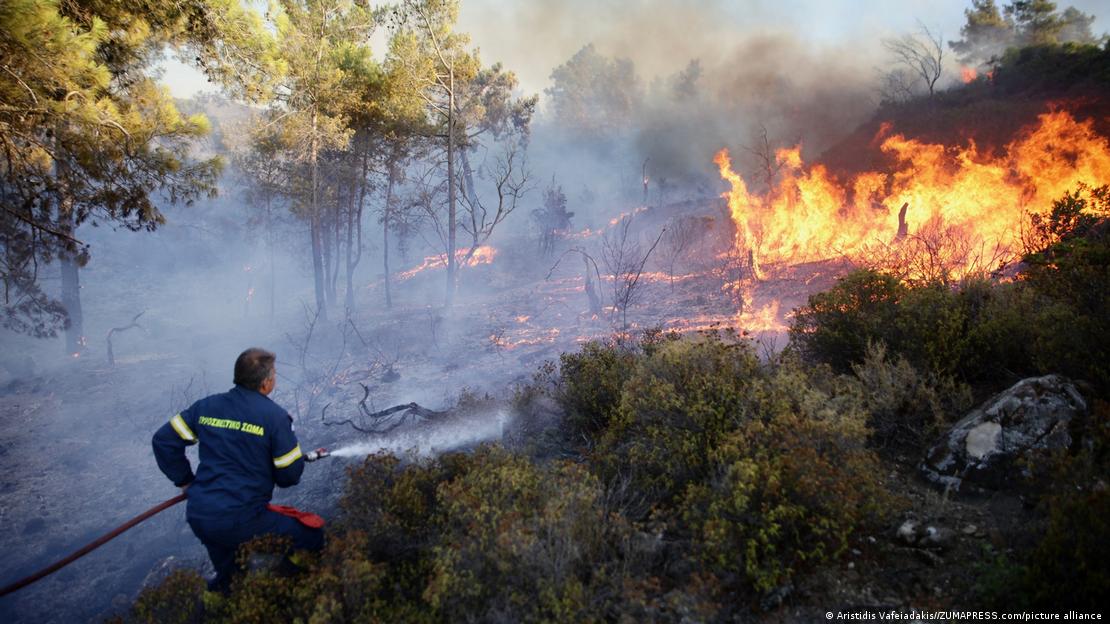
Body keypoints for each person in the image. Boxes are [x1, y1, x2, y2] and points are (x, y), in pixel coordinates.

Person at [152, 347, 323, 592]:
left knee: (231, 578)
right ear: (265, 383)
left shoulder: (206, 407)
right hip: (243, 517)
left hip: (201, 516)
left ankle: (229, 596)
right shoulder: (274, 418)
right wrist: (282, 462)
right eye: (273, 374)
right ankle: (290, 588)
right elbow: (288, 476)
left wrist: (185, 482)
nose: (275, 378)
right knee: (312, 535)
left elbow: (164, 440)